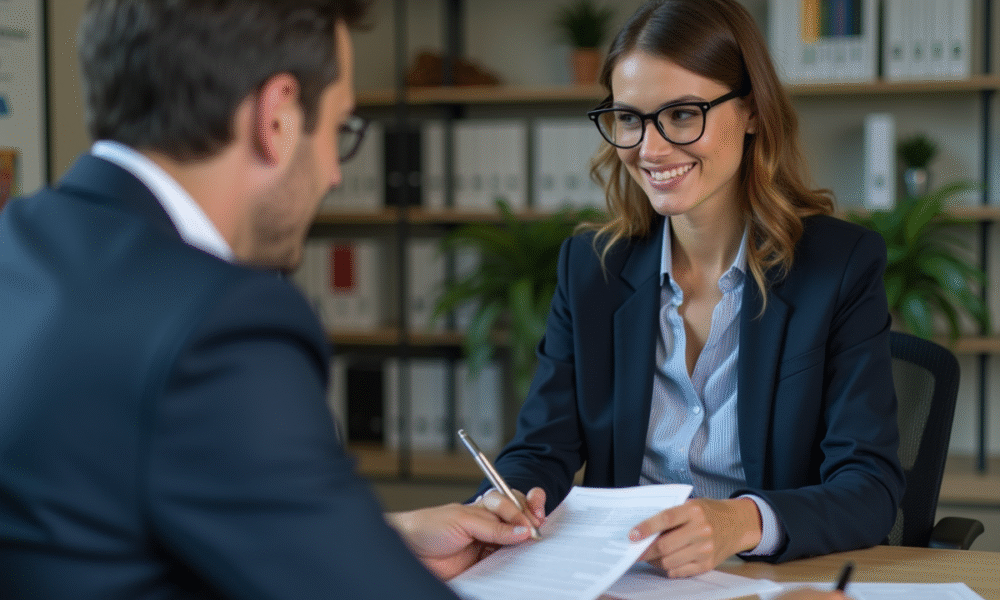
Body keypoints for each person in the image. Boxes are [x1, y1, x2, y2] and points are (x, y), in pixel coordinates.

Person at [0, 1, 535, 598]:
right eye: (339, 131)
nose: (334, 173)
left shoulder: (17, 246)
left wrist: (383, 537)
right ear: (277, 117)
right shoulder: (217, 326)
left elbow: (99, 524)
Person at [476, 0, 905, 579]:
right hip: (627, 582)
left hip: (765, 580)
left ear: (752, 111)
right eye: (629, 118)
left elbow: (870, 488)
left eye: (681, 114)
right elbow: (540, 450)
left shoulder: (838, 267)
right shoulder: (592, 271)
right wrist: (505, 498)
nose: (649, 150)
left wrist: (740, 521)